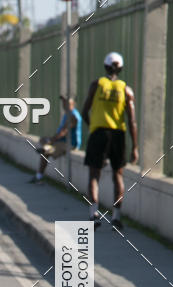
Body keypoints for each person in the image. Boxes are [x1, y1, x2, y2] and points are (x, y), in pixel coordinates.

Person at [81, 52, 138, 231]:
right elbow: (132, 121)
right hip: (118, 136)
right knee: (118, 176)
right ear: (120, 69)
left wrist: (93, 127)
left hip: (99, 133)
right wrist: (135, 146)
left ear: (105, 67)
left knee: (94, 176)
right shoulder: (126, 90)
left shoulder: (96, 85)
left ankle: (94, 214)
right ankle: (116, 217)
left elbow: (84, 112)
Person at [31, 95, 82, 183]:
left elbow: (63, 132)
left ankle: (39, 176)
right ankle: (45, 149)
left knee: (46, 151)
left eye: (66, 103)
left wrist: (51, 141)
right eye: (63, 102)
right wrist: (50, 140)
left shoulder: (74, 116)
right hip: (61, 142)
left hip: (69, 144)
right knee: (43, 139)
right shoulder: (67, 114)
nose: (64, 105)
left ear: (72, 104)